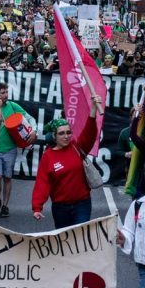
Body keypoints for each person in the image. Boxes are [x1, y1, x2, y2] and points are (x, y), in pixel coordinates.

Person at [32, 93, 104, 229]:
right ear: (54, 136)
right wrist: (37, 207)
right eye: (61, 133)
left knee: (79, 236)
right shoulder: (48, 156)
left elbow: (89, 133)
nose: (66, 136)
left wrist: (93, 110)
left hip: (82, 204)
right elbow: (42, 183)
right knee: (65, 242)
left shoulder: (77, 147)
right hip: (60, 207)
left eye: (68, 132)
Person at [0, 82, 34, 218]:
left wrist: (33, 131)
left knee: (7, 178)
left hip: (10, 149)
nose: (5, 95)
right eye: (2, 93)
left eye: (6, 92)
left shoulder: (12, 106)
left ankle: (5, 206)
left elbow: (29, 117)